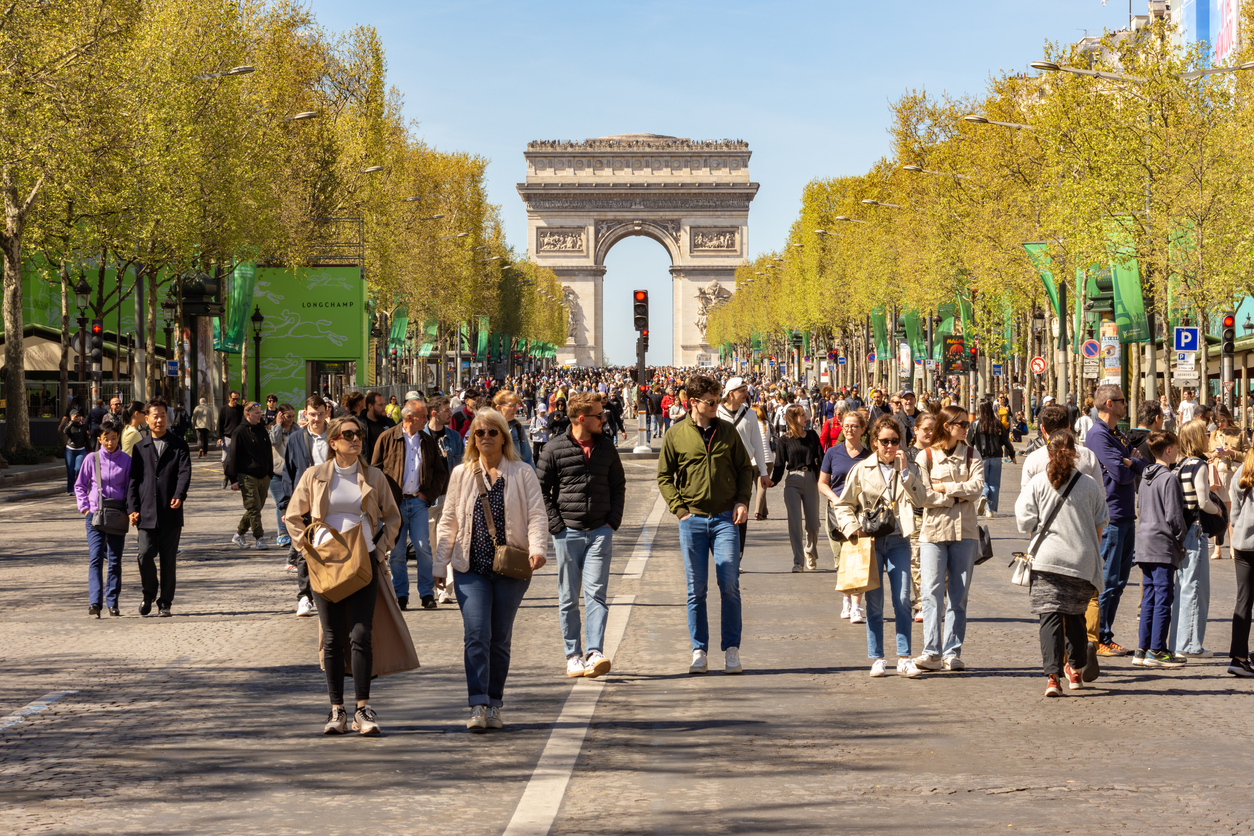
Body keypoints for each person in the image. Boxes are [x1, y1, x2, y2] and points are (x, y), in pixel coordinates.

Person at [285, 414, 402, 736]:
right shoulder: (315, 475)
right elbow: (293, 516)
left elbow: (393, 518)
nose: (356, 439)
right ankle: (336, 709)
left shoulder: (374, 476)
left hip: (364, 563)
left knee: (361, 634)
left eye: (358, 434)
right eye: (348, 435)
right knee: (333, 637)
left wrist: (379, 551)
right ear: (333, 441)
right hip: (326, 565)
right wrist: (308, 549)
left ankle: (363, 709)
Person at [434, 408, 548, 732]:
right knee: (476, 635)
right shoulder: (461, 474)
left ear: (504, 436)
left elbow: (537, 515)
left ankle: (495, 704)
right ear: (472, 439)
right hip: (469, 568)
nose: (485, 437)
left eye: (492, 432)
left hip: (511, 569)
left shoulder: (522, 472)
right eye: (479, 432)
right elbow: (448, 521)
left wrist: (538, 549)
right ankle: (477, 703)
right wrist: (439, 563)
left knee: (499, 639)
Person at [657, 374, 754, 675]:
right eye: (711, 402)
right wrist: (679, 509)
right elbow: (664, 476)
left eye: (717, 400)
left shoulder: (727, 431)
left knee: (729, 583)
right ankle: (699, 650)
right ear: (693, 403)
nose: (716, 406)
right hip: (693, 520)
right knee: (696, 589)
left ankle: (732, 649)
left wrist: (742, 500)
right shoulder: (675, 434)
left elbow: (744, 469)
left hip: (725, 518)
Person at [538, 391, 626, 678]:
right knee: (568, 597)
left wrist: (612, 521)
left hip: (600, 530)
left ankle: (594, 652)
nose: (604, 419)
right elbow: (540, 490)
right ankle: (573, 654)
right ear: (581, 418)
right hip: (568, 532)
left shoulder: (607, 447)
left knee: (596, 594)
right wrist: (557, 526)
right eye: (598, 416)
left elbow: (618, 485)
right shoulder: (554, 448)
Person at [1015, 431, 1108, 696]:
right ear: (1076, 453)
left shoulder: (1038, 482)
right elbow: (1101, 522)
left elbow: (1024, 521)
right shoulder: (1090, 484)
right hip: (1081, 560)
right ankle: (1075, 671)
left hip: (1047, 560)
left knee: (1050, 617)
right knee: (1076, 616)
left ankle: (1053, 677)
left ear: (1048, 453)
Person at [833, 415, 927, 678]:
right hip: (870, 541)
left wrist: (906, 472)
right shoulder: (861, 469)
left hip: (899, 540)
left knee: (903, 598)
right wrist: (854, 529)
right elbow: (843, 505)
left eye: (895, 441)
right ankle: (877, 658)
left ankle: (904, 657)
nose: (890, 446)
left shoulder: (908, 467)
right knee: (874, 602)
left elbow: (922, 499)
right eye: (884, 441)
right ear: (874, 441)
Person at [914, 404, 985, 672]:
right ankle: (931, 652)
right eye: (962, 424)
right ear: (947, 426)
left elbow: (977, 488)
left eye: (968, 424)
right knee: (930, 593)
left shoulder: (972, 454)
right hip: (933, 532)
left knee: (959, 596)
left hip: (965, 532)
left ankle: (952, 653)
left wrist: (945, 488)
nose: (967, 428)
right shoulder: (925, 456)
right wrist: (956, 496)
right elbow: (922, 495)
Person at [1085, 384, 1148, 657]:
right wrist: (1131, 462)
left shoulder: (1117, 434)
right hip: (1110, 516)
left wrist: (1131, 461)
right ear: (1110, 404)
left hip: (1125, 515)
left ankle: (1106, 634)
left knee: (1120, 581)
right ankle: (1097, 637)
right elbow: (1122, 475)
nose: (1126, 404)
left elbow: (1143, 465)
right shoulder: (1099, 436)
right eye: (1122, 400)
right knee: (1108, 581)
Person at [372, 397, 449, 611]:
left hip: (418, 503)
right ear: (409, 417)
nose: (426, 419)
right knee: (397, 552)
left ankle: (426, 594)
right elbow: (375, 470)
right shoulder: (387, 438)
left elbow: (440, 472)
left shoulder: (427, 440)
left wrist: (428, 494)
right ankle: (400, 595)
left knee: (423, 547)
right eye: (422, 416)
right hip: (394, 505)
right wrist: (382, 500)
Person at [126, 397, 191, 618]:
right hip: (146, 512)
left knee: (168, 559)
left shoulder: (179, 445)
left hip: (170, 511)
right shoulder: (140, 447)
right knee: (144, 555)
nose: (159, 420)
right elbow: (133, 480)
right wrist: (132, 508)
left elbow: (184, 472)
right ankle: (149, 594)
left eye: (163, 415)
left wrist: (179, 495)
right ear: (147, 419)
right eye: (155, 416)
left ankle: (165, 602)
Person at [1133, 430, 1189, 670]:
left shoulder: (1145, 476)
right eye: (1176, 448)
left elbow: (1141, 508)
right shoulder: (1169, 478)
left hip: (1144, 541)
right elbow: (1174, 516)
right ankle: (1157, 650)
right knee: (1163, 597)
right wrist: (1181, 539)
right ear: (1168, 450)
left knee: (1149, 597)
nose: (1177, 452)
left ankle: (1143, 648)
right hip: (1162, 544)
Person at [1168, 418, 1221, 659]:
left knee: (1183, 588)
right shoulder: (1199, 465)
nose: (1209, 437)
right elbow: (1203, 501)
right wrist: (1217, 510)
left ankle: (1177, 642)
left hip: (1181, 532)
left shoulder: (1180, 465)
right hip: (1195, 531)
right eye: (1205, 434)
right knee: (1196, 588)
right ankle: (1189, 645)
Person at [818, 412, 873, 623]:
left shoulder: (868, 456)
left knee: (859, 556)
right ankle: (846, 600)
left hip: (859, 512)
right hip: (837, 511)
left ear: (862, 429)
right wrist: (835, 499)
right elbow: (822, 483)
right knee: (841, 558)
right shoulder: (833, 453)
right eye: (846, 426)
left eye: (854, 426)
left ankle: (857, 606)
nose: (849, 429)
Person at [75, 416, 131, 617]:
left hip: (117, 514)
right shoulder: (91, 459)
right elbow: (80, 485)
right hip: (94, 515)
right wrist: (85, 509)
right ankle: (95, 602)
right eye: (106, 438)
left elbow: (130, 489)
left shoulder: (126, 460)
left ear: (118, 438)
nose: (110, 442)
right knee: (96, 558)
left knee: (115, 560)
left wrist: (131, 511)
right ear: (99, 439)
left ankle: (112, 602)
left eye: (114, 438)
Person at [282, 395, 332, 615]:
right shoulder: (296, 438)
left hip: (331, 501)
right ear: (305, 414)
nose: (316, 419)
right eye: (312, 414)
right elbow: (288, 472)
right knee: (305, 550)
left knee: (330, 548)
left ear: (326, 413)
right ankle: (304, 597)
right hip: (305, 503)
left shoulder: (335, 435)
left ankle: (328, 593)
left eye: (320, 414)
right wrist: (286, 505)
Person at [717, 377, 773, 561]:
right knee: (723, 512)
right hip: (722, 470)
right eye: (742, 391)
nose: (746, 394)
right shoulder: (717, 413)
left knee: (741, 512)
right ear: (730, 394)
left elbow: (757, 444)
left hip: (744, 469)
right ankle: (724, 554)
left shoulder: (750, 415)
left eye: (746, 390)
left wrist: (763, 472)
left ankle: (737, 556)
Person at [771, 404, 822, 572]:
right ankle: (798, 561)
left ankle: (810, 552)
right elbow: (779, 464)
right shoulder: (784, 440)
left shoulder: (812, 435)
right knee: (795, 523)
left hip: (811, 479)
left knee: (813, 524)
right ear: (793, 418)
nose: (806, 417)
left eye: (805, 414)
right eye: (802, 415)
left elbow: (821, 458)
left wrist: (826, 479)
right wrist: (772, 481)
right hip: (793, 480)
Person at [226, 402, 274, 550]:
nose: (260, 415)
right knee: (253, 508)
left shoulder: (262, 429)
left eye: (260, 412)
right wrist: (233, 479)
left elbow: (268, 452)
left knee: (256, 508)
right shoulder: (239, 432)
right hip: (247, 476)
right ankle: (259, 538)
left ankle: (239, 534)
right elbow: (233, 456)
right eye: (257, 413)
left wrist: (270, 472)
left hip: (264, 476)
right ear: (248, 414)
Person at [1226, 447, 1254, 676]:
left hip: (1243, 544)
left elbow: (1234, 512)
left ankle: (1238, 658)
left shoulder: (1241, 471)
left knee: (1243, 600)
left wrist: (1239, 532)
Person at [1209, 405, 1246, 560]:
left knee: (1230, 513)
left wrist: (1231, 452)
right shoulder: (1213, 434)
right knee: (1217, 512)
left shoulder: (1239, 433)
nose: (1220, 424)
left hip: (1232, 476)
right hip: (1217, 476)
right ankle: (1217, 549)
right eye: (1216, 421)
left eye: (1222, 420)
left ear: (1228, 417)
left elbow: (1247, 455)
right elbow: (1207, 454)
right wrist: (1214, 454)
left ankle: (1232, 547)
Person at [971, 398, 1015, 517]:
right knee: (994, 483)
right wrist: (1012, 454)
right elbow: (1006, 440)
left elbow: (970, 441)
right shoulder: (997, 423)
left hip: (981, 457)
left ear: (979, 409)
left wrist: (969, 456)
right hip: (996, 456)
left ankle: (983, 495)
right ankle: (990, 510)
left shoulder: (975, 424)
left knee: (982, 481)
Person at [268, 403, 296, 549]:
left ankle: (292, 532)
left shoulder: (296, 429)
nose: (291, 419)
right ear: (280, 415)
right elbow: (274, 441)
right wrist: (278, 425)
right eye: (288, 416)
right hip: (277, 474)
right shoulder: (273, 429)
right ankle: (282, 533)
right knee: (282, 503)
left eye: (293, 416)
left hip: (293, 473)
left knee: (293, 504)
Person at [493, 390, 534, 468]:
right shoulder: (488, 428)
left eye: (516, 405)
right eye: (511, 406)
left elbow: (527, 459)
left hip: (515, 474)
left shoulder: (517, 428)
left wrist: (531, 474)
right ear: (499, 408)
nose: (516, 408)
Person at [752, 404, 774, 520]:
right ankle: (763, 511)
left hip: (754, 459)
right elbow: (775, 439)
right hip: (767, 458)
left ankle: (758, 512)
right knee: (762, 486)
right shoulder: (768, 424)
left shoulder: (751, 425)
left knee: (759, 486)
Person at [360, 391, 395, 463]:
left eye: (384, 404)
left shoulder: (390, 423)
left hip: (387, 466)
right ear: (370, 406)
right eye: (380, 405)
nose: (384, 408)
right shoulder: (360, 424)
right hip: (368, 465)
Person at [61, 408, 89, 494]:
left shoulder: (83, 426)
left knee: (78, 469)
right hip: (70, 450)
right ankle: (70, 489)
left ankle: (78, 486)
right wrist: (72, 422)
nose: (77, 417)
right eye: (75, 416)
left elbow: (86, 439)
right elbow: (65, 431)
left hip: (81, 450)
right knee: (70, 470)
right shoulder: (69, 426)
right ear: (71, 416)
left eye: (78, 416)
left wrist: (91, 451)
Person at [217, 390, 244, 479]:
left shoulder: (241, 409)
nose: (235, 401)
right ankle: (226, 475)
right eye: (233, 399)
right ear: (229, 398)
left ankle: (236, 477)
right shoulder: (224, 409)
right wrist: (219, 437)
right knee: (225, 459)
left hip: (238, 437)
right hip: (227, 437)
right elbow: (219, 424)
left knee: (239, 458)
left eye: (237, 399)